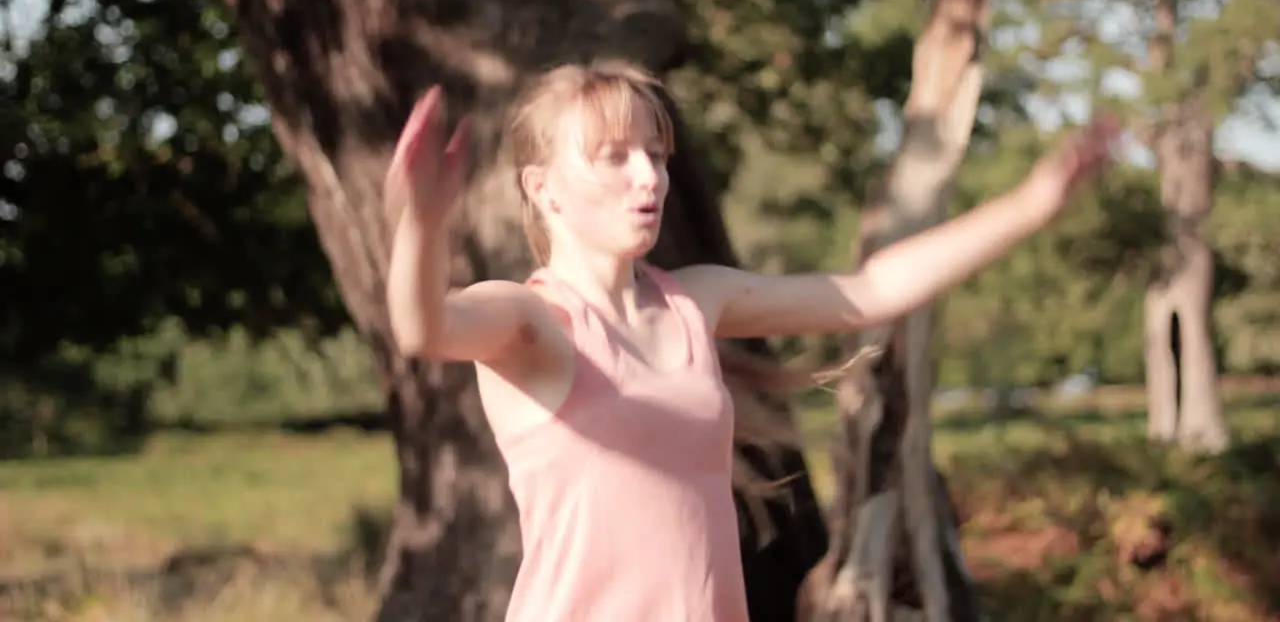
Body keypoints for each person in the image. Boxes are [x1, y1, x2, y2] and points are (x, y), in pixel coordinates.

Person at [382, 61, 1117, 622]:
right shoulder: (532, 321)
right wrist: (422, 222)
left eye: (657, 153)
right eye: (614, 156)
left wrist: (1030, 205)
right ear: (543, 188)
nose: (650, 176)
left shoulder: (695, 300)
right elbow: (425, 327)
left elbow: (869, 293)